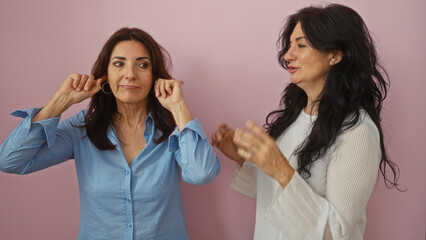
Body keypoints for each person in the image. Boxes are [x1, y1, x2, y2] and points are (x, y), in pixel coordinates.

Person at [0, 27, 221, 240]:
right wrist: (61, 100)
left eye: (142, 65)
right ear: (105, 75)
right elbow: (10, 161)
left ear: (155, 76)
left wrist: (178, 106)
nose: (130, 74)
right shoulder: (82, 129)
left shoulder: (174, 130)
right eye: (119, 64)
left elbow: (202, 173)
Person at [212, 4, 401, 240]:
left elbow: (336, 231)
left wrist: (280, 167)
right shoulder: (293, 118)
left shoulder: (358, 131)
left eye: (301, 45)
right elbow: (278, 194)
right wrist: (243, 158)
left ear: (335, 54)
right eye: (290, 45)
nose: (288, 55)